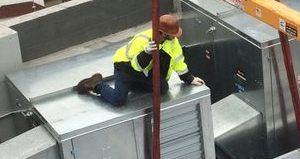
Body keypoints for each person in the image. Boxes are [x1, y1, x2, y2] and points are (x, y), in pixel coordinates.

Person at [77, 15, 205, 106]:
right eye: (173, 35)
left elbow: (178, 61)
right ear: (162, 33)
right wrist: (146, 53)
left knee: (162, 87)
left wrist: (190, 79)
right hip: (126, 68)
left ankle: (130, 85)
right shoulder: (142, 40)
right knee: (118, 100)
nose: (175, 37)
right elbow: (136, 66)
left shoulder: (172, 41)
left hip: (145, 71)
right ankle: (96, 84)